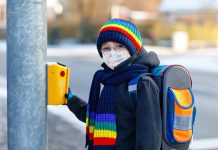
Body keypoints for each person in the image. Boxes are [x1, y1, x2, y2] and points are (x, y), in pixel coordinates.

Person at [66, 18, 162, 150]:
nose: (112, 53)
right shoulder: (111, 79)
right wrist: (70, 100)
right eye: (106, 48)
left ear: (133, 48)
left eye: (119, 46)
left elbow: (149, 140)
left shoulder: (143, 84)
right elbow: (97, 117)